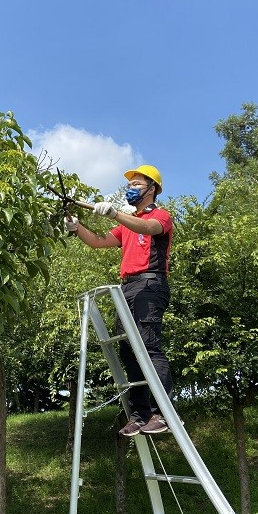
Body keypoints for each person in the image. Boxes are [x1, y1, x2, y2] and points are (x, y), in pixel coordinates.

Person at [64, 165, 175, 436]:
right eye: (131, 184)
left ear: (152, 189)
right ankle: (140, 415)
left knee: (148, 347)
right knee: (128, 350)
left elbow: (147, 227)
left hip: (150, 284)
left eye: (137, 184)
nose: (131, 188)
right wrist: (77, 227)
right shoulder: (126, 226)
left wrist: (115, 213)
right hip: (127, 287)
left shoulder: (160, 216)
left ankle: (164, 412)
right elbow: (98, 241)